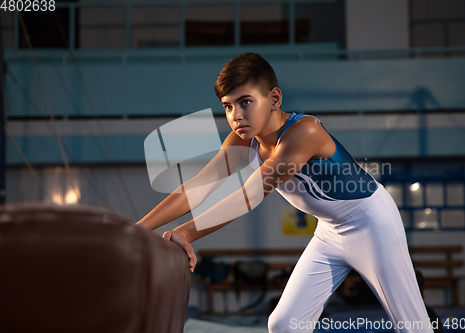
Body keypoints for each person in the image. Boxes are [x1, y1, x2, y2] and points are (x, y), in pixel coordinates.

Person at [137, 52, 432, 333]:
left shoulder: (304, 132)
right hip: (329, 232)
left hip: (372, 224)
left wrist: (187, 232)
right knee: (284, 324)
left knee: (413, 326)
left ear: (274, 99)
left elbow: (248, 196)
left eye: (245, 102)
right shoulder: (243, 141)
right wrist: (136, 230)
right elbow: (197, 187)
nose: (235, 115)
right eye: (227, 106)